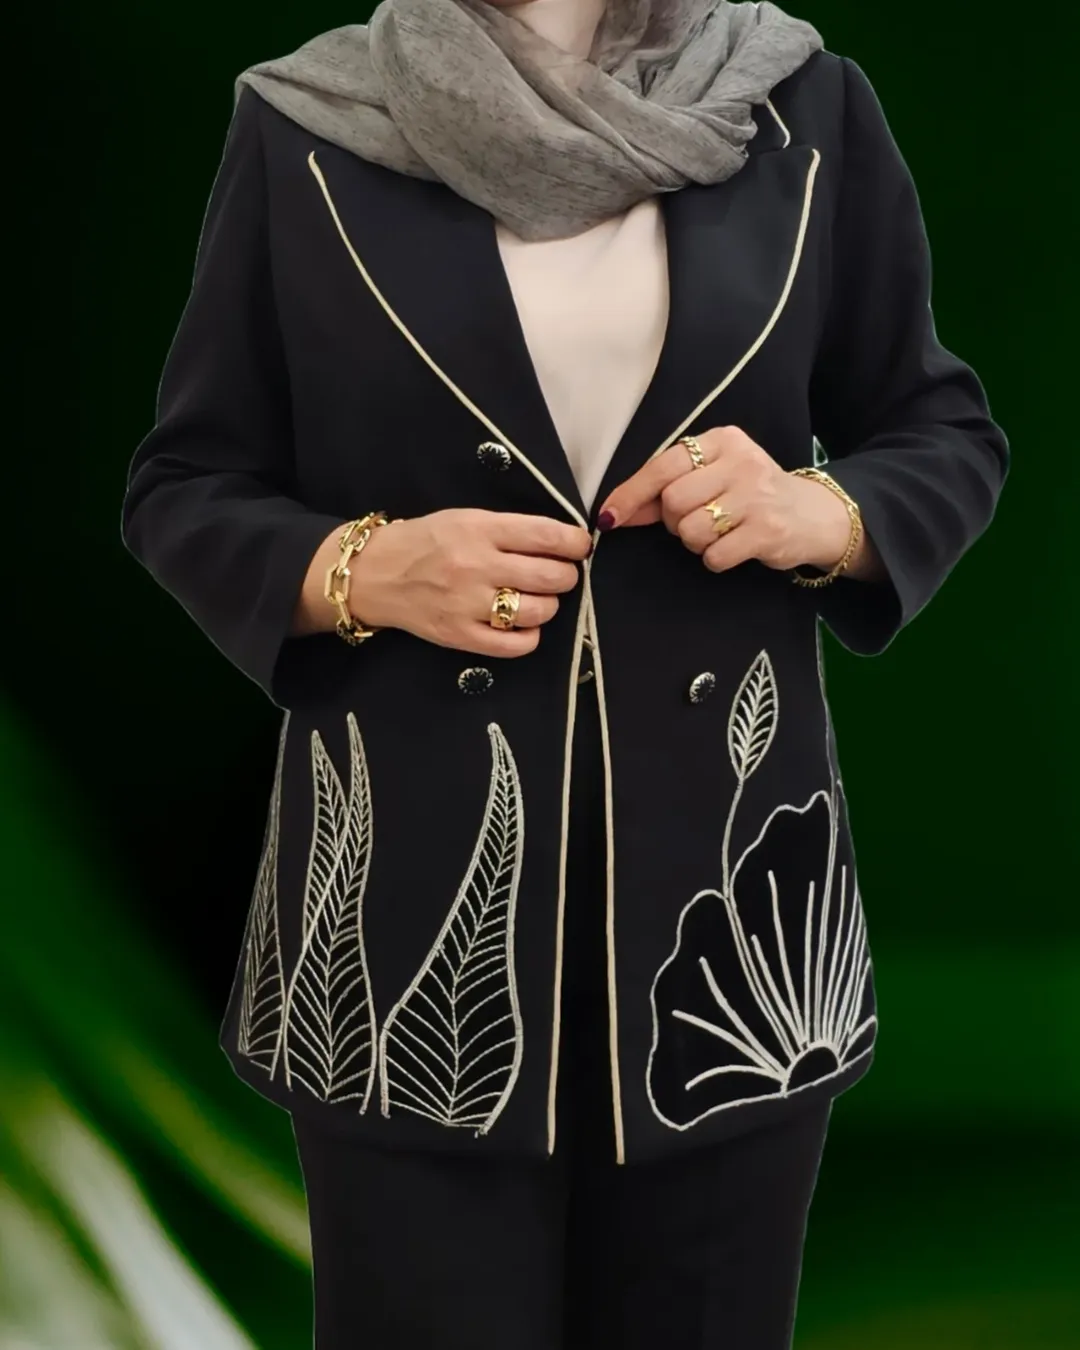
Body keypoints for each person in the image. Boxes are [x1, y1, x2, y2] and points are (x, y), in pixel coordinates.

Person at [119, 1, 1009, 1346]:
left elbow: (941, 429)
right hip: (405, 944)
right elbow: (183, 485)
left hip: (733, 956)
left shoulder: (805, 108)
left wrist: (818, 512)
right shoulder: (304, 128)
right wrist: (368, 566)